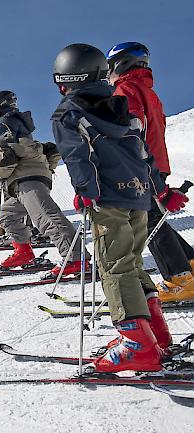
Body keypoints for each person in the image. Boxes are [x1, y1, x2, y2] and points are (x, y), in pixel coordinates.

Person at [51, 43, 187, 372]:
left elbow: (77, 156)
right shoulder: (121, 105)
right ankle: (155, 334)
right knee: (133, 265)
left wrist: (87, 191)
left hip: (108, 199)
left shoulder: (68, 112)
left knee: (114, 268)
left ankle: (137, 344)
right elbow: (142, 151)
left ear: (65, 79)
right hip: (138, 196)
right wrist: (160, 190)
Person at [106, 42, 194, 303]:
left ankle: (179, 279)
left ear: (119, 65)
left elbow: (131, 132)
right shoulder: (147, 91)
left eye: (109, 68)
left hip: (140, 166)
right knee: (155, 219)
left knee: (148, 225)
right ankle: (189, 266)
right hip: (155, 164)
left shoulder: (125, 90)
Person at [0, 90, 86, 274]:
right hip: (24, 179)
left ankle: (76, 259)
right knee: (7, 215)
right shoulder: (19, 121)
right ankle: (23, 252)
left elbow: (7, 156)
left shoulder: (5, 122)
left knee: (46, 217)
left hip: (26, 177)